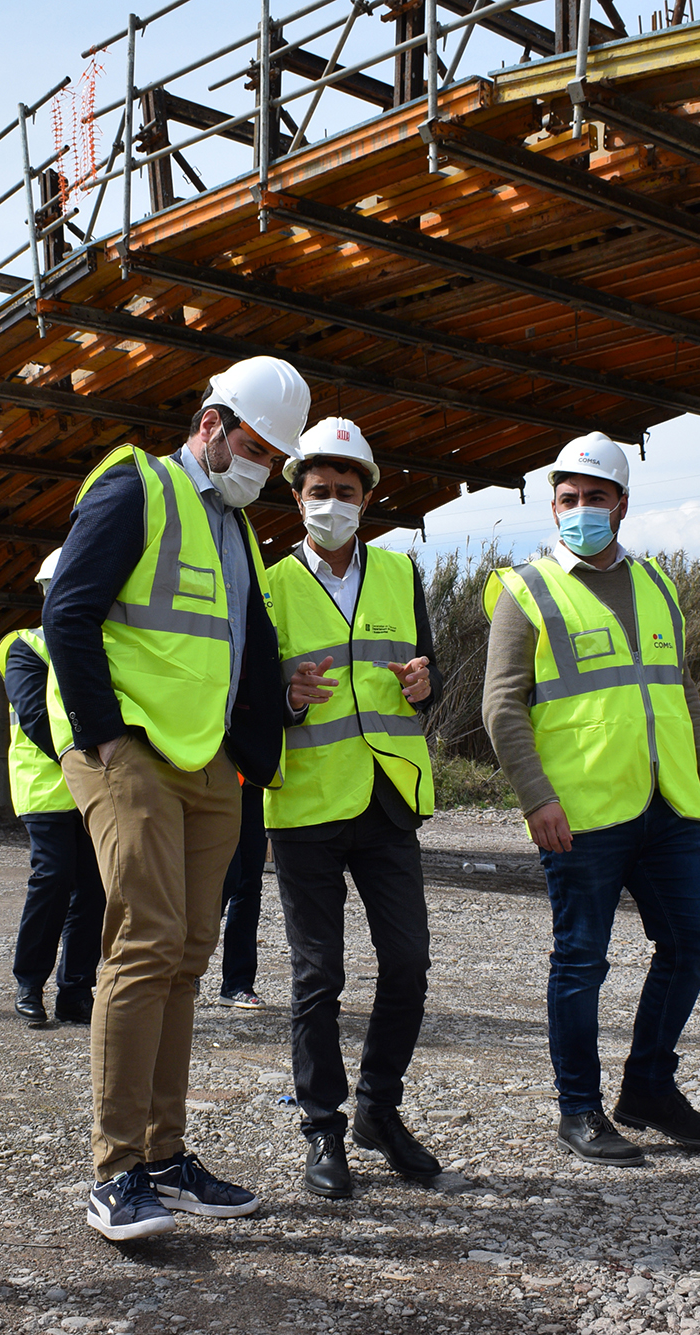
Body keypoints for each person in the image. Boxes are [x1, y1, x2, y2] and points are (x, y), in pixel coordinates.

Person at [44, 356, 305, 1240]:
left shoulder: (235, 531)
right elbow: (68, 613)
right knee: (147, 938)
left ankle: (162, 1153)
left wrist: (253, 750)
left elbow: (239, 651)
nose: (262, 467)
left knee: (191, 950)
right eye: (256, 446)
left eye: (276, 456)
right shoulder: (136, 487)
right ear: (211, 422)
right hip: (130, 748)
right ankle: (115, 1171)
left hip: (207, 761)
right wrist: (103, 732)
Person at [482, 432, 700, 1166]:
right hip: (581, 811)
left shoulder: (656, 582)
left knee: (691, 938)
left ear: (622, 505)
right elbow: (501, 708)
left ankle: (649, 1088)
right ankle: (580, 1109)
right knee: (581, 960)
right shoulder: (526, 591)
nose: (580, 510)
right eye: (568, 499)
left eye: (594, 498)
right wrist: (536, 797)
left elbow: (678, 686)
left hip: (667, 807)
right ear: (554, 505)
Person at [263, 418, 445, 1198]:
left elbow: (425, 679)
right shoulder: (267, 583)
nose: (330, 502)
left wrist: (424, 689)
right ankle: (323, 1129)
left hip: (386, 798)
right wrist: (284, 697)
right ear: (297, 497)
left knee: (408, 962)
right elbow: (242, 698)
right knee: (318, 975)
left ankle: (379, 1108)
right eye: (317, 490)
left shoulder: (403, 574)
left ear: (368, 496)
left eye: (345, 490)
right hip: (304, 805)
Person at [0, 547, 105, 1028]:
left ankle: (76, 991)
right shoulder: (24, 645)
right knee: (54, 878)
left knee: (95, 890)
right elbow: (36, 715)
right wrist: (90, 758)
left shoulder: (104, 644)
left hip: (99, 785)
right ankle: (29, 983)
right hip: (47, 786)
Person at [212, 780, 268, 1009]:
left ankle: (237, 984)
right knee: (222, 880)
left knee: (249, 884)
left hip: (254, 782)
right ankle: (186, 966)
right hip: (214, 780)